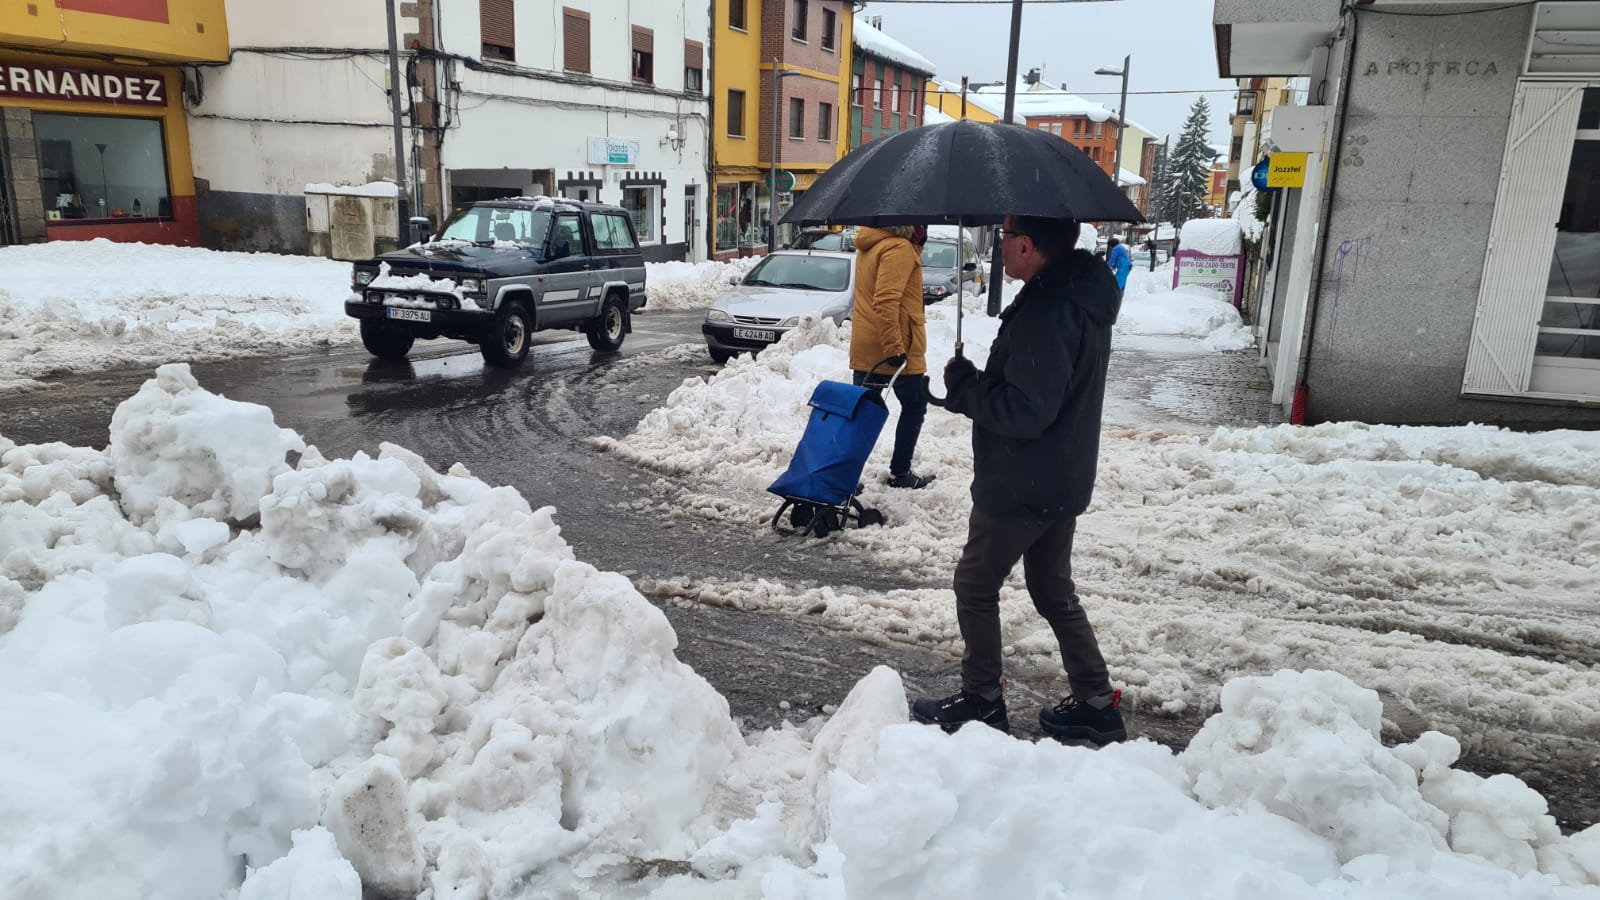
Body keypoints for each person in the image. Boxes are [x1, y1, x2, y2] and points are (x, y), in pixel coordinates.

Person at [911, 214, 1126, 743]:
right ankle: (1096, 702)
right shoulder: (1079, 298)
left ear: (1027, 245)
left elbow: (1026, 412)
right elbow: (1042, 395)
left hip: (1023, 480)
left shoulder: (1050, 310)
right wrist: (979, 383)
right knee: (1053, 591)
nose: (1000, 246)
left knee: (975, 584)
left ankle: (983, 698)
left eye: (1005, 238)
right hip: (1062, 472)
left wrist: (965, 390)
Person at [849, 224, 934, 489]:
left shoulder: (872, 244)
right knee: (915, 405)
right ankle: (901, 473)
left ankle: (844, 474)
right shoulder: (898, 248)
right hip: (895, 346)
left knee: (862, 413)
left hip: (868, 343)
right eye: (920, 226)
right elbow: (886, 300)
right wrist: (894, 348)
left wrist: (916, 245)